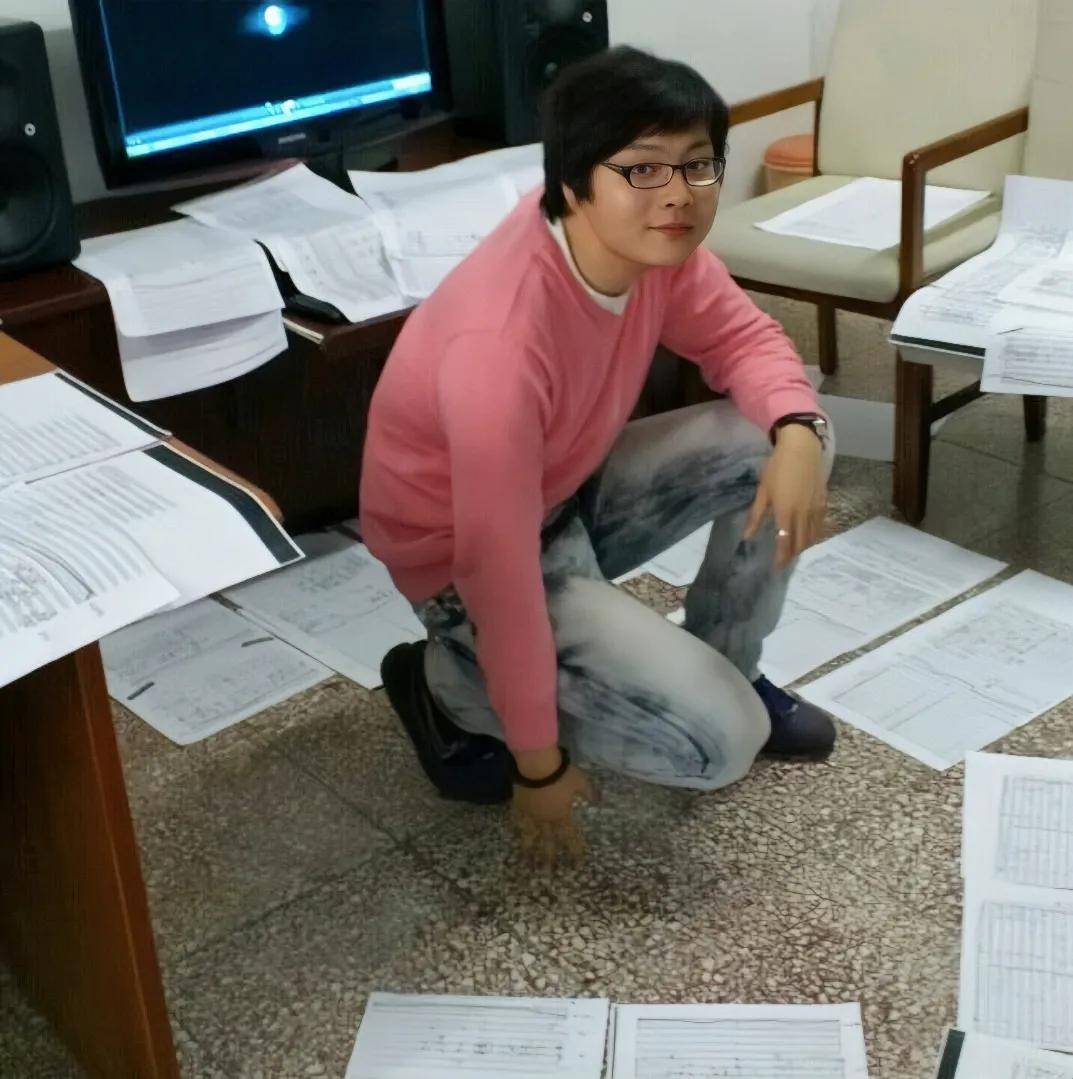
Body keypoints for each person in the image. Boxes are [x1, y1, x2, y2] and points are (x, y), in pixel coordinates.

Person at [361, 45, 836, 864]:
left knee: (792, 433)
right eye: (641, 169)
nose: (677, 194)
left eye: (696, 164)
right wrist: (536, 763)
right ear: (573, 181)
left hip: (564, 490)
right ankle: (445, 686)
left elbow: (742, 339)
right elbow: (496, 571)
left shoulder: (653, 245)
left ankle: (729, 661)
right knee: (717, 746)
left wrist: (795, 429)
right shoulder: (498, 346)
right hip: (464, 562)